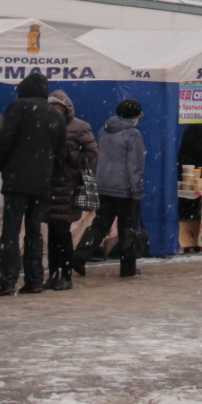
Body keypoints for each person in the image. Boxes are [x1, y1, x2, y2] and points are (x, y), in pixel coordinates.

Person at [0, 73, 68, 297]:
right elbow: (61, 154)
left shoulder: (18, 107)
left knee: (11, 231)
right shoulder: (56, 115)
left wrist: (0, 165)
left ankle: (8, 281)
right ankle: (34, 279)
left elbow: (5, 139)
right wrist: (48, 171)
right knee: (35, 231)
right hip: (41, 182)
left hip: (17, 180)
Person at [80, 98, 146, 278]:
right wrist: (137, 190)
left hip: (103, 185)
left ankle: (79, 255)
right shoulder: (133, 134)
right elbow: (135, 166)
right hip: (125, 189)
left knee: (100, 224)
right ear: (135, 117)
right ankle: (128, 268)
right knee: (128, 229)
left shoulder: (104, 130)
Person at [42, 90, 98, 289]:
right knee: (52, 231)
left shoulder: (79, 127)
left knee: (62, 231)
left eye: (58, 109)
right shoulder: (44, 126)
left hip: (68, 186)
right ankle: (53, 273)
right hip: (48, 186)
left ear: (67, 110)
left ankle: (66, 274)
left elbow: (92, 154)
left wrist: (69, 154)